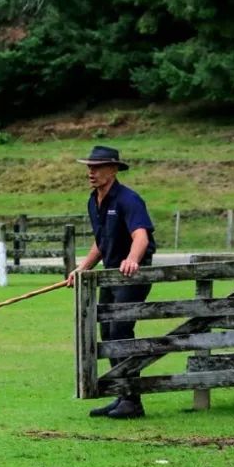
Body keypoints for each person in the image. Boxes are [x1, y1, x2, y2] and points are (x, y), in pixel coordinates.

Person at [65, 145, 156, 419]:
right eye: (89, 167)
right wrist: (82, 268)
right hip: (109, 274)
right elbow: (101, 241)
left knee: (120, 330)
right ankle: (121, 395)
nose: (91, 172)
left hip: (132, 274)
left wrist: (132, 259)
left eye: (98, 167)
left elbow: (141, 235)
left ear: (114, 169)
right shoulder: (94, 201)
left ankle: (133, 401)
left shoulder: (129, 199)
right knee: (107, 331)